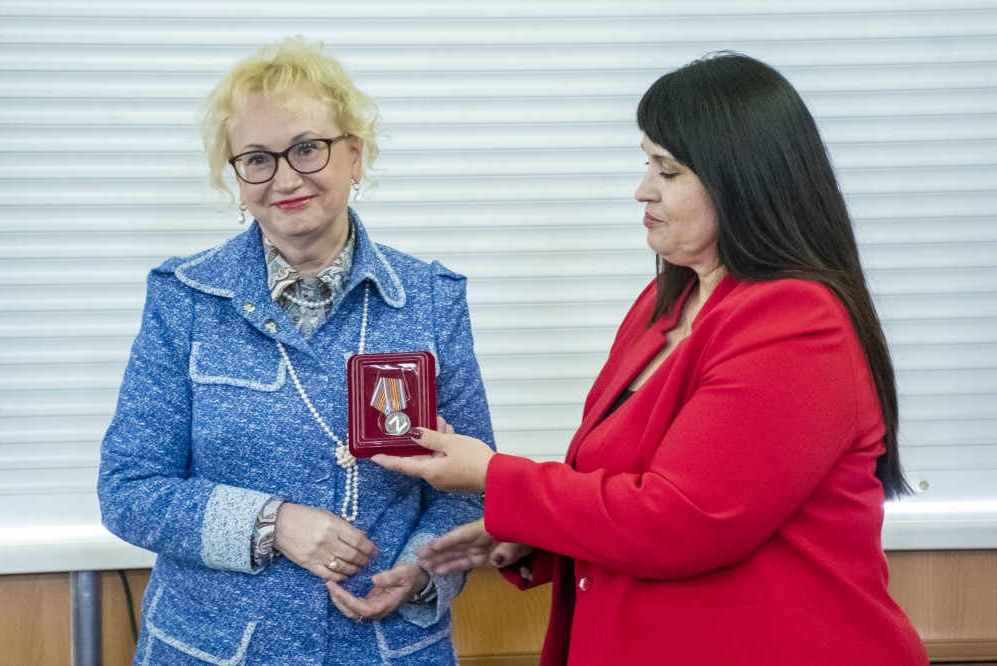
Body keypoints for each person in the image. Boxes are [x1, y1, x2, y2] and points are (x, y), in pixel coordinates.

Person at [372, 52, 930, 665]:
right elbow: (627, 486)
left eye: (668, 170)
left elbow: (683, 520)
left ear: (742, 181)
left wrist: (493, 477)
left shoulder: (796, 323)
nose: (643, 189)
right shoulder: (664, 302)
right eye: (647, 164)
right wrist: (531, 539)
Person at [98, 37, 494, 665]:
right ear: (237, 178)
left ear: (354, 155)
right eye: (257, 158)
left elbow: (472, 487)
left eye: (307, 148)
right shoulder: (186, 298)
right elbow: (129, 489)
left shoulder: (430, 299)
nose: (285, 179)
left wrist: (423, 571)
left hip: (387, 649)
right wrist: (272, 523)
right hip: (211, 650)